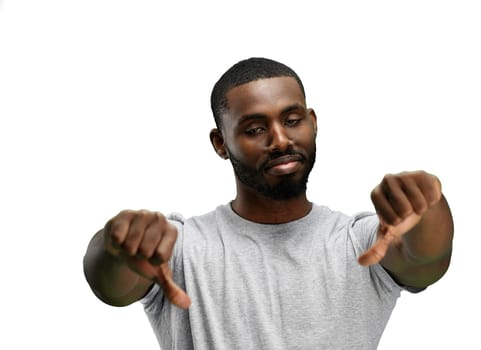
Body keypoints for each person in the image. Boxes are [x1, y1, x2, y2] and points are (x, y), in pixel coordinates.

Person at [83, 57, 454, 349]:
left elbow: (427, 260)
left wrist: (428, 206)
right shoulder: (182, 247)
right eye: (255, 129)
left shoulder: (358, 242)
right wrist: (115, 246)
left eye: (292, 120)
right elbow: (110, 285)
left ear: (312, 122)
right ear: (220, 143)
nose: (280, 140)